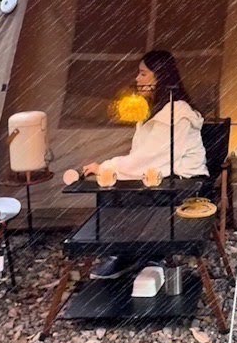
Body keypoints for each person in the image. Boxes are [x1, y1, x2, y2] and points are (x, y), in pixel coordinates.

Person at [83, 50, 208, 279]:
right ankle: (127, 252)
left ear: (159, 77)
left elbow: (154, 159)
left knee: (133, 194)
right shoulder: (151, 111)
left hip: (186, 182)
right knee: (115, 192)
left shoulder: (178, 113)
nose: (137, 80)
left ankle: (148, 253)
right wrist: (113, 170)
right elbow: (141, 155)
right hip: (163, 174)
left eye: (143, 74)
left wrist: (106, 166)